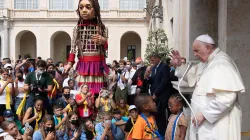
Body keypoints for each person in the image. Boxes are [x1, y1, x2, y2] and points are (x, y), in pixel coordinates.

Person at [171, 34, 245, 140]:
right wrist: (179, 65)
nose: (195, 54)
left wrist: (204, 114)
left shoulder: (222, 63)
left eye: (196, 50)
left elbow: (226, 97)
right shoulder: (207, 62)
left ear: (208, 48)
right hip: (206, 122)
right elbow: (191, 75)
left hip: (217, 123)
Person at [67, 0, 109, 94]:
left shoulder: (102, 28)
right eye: (81, 7)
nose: (84, 10)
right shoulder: (77, 28)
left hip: (98, 65)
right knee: (83, 91)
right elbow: (73, 48)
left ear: (96, 10)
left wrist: (103, 41)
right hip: (83, 65)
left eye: (88, 7)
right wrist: (70, 63)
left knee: (98, 92)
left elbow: (105, 48)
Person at [145, 53, 172, 136]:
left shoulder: (164, 67)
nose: (151, 62)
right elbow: (153, 81)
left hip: (163, 95)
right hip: (155, 95)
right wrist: (147, 77)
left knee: (162, 114)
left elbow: (164, 82)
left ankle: (163, 133)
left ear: (157, 58)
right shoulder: (153, 68)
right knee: (157, 114)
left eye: (153, 60)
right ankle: (158, 132)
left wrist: (156, 93)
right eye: (150, 60)